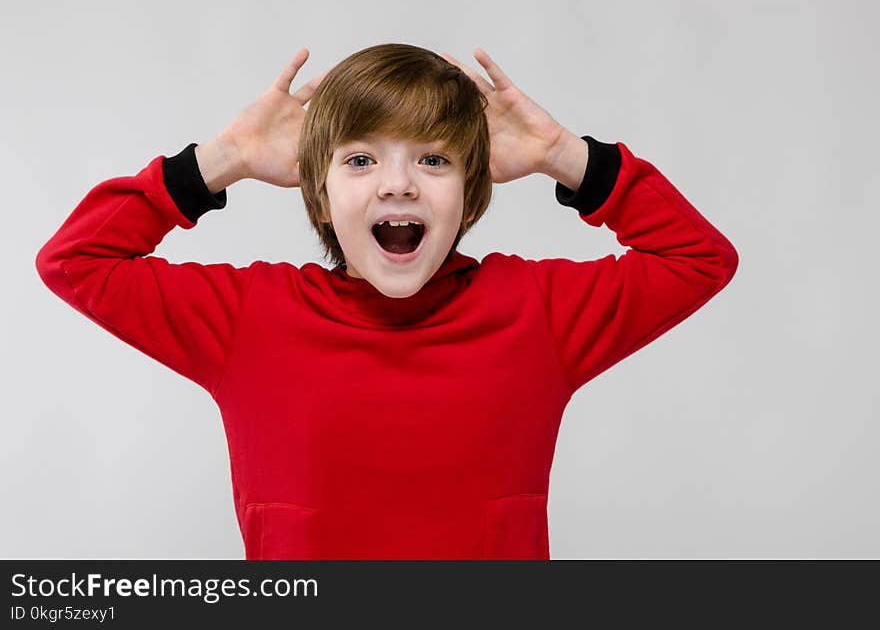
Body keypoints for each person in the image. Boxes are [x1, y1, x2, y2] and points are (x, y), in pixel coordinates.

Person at [35, 43, 739, 559]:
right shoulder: (248, 319)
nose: (399, 184)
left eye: (433, 159)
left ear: (472, 191)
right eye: (361, 159)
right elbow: (74, 259)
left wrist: (561, 151)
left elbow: (700, 258)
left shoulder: (536, 310)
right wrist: (227, 155)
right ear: (319, 191)